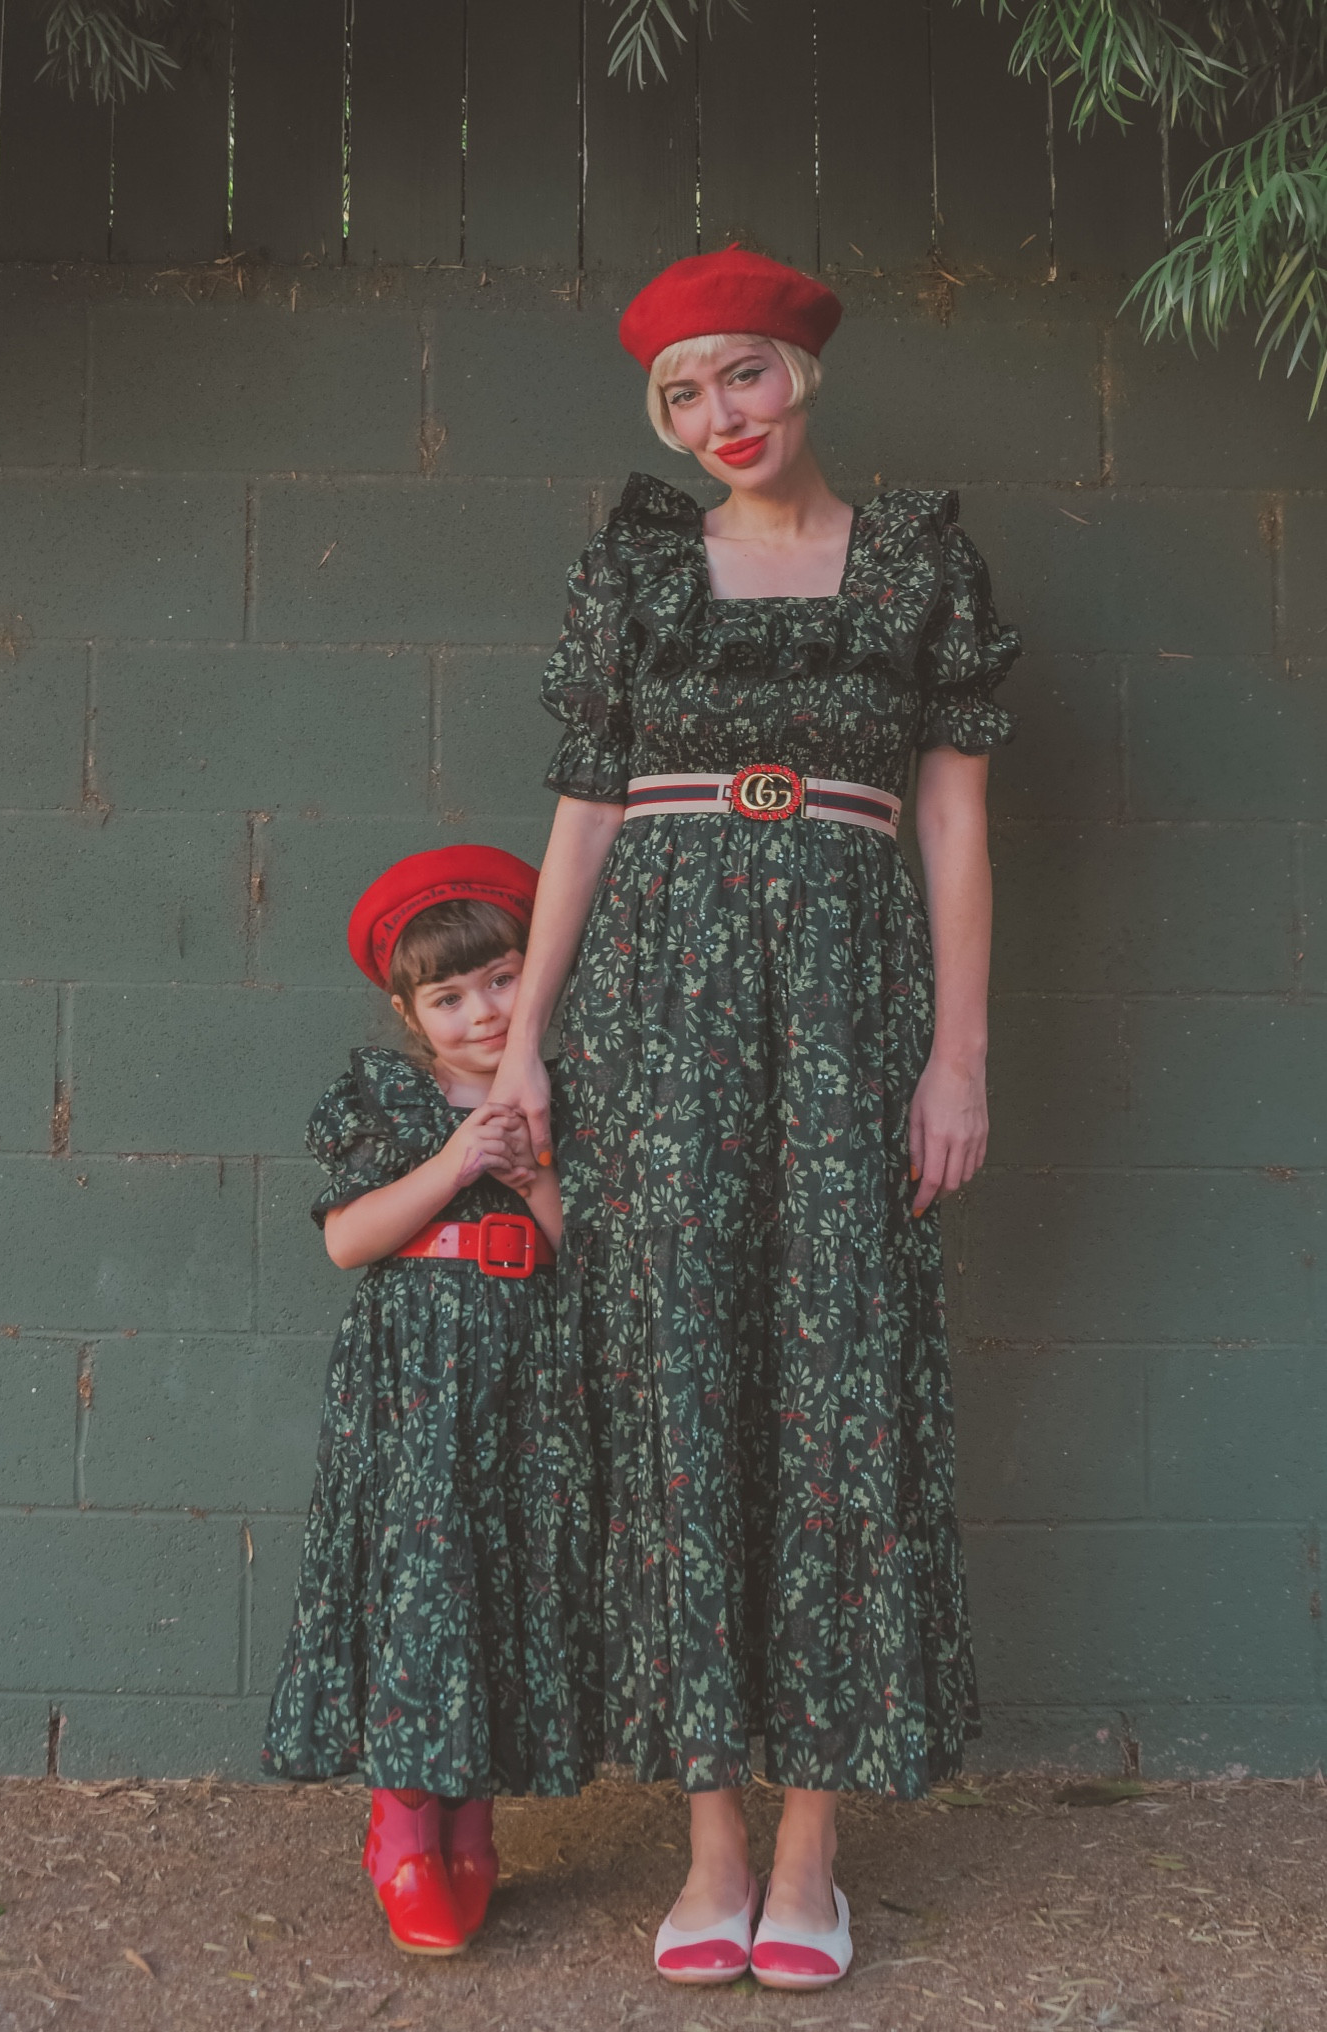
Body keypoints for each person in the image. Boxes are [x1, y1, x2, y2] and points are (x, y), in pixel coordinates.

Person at [489, 246, 1020, 1991]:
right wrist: (532, 1042)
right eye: (681, 394)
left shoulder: (923, 564)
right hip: (658, 1015)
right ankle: (707, 1839)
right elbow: (578, 810)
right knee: (677, 1388)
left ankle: (810, 1849)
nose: (718, 416)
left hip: (855, 1018)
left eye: (742, 375)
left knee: (840, 1393)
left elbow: (952, 824)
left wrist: (958, 1054)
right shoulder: (631, 572)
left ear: (805, 374)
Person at [262, 845, 594, 1957]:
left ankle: (473, 1812)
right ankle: (403, 1822)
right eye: (448, 997)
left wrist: (536, 1152)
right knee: (420, 1579)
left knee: (498, 1578)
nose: (482, 1010)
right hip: (412, 1379)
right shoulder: (382, 1093)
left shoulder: (571, 1086)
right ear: (409, 1009)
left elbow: (578, 1247)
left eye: (501, 977)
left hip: (524, 1369)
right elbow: (350, 1239)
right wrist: (458, 1159)